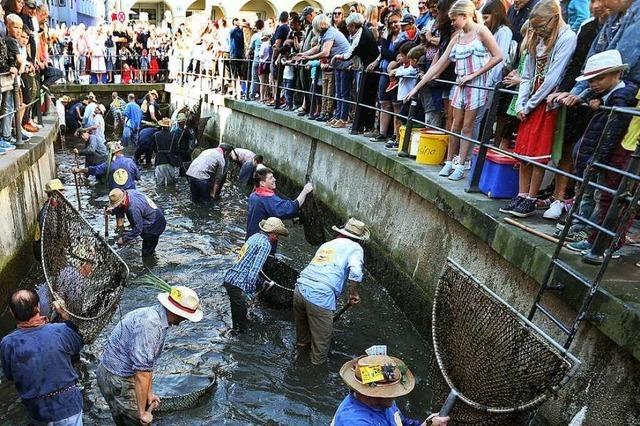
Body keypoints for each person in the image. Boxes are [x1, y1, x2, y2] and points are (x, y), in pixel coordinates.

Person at [406, 0, 503, 181]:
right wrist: (417, 87)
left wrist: (475, 74)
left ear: (464, 16)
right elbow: (439, 64)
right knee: (454, 124)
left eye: (453, 19)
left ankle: (461, 163)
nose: (452, 23)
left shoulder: (481, 31)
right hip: (460, 85)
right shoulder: (457, 37)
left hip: (475, 85)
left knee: (468, 126)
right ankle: (450, 160)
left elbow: (498, 56)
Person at [499, 0, 577, 218]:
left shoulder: (567, 37)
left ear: (553, 18)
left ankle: (532, 197)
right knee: (523, 151)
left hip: (546, 102)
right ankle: (521, 194)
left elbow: (553, 77)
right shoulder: (536, 37)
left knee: (537, 153)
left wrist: (532, 103)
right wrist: (522, 103)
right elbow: (527, 74)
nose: (539, 31)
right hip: (530, 98)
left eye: (542, 26)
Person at [563, 50, 637, 262]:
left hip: (604, 157)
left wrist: (598, 160)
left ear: (616, 75)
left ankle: (592, 238)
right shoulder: (604, 96)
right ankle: (583, 229)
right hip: (594, 155)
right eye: (591, 80)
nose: (593, 84)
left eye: (599, 78)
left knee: (601, 197)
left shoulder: (620, 99)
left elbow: (612, 132)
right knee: (589, 193)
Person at [97, 286, 203, 425]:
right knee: (137, 422)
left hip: (115, 373)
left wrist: (149, 394)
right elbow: (142, 372)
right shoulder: (151, 324)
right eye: (186, 317)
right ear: (177, 312)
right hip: (117, 379)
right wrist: (142, 413)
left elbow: (148, 363)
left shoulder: (156, 315)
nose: (186, 320)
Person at [1, 289, 84, 426]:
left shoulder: (7, 343)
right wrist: (65, 316)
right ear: (37, 307)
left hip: (37, 412)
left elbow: (10, 375)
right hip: (69, 407)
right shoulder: (61, 330)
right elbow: (77, 344)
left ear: (11, 312)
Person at [293, 218, 369, 365]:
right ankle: (313, 375)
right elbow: (355, 272)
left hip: (300, 289)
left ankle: (297, 359)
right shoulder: (355, 248)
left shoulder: (327, 244)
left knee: (302, 339)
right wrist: (353, 293)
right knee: (320, 348)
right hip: (320, 296)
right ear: (358, 239)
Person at [332, 353, 449, 425]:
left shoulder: (385, 403)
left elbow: (401, 422)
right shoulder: (353, 422)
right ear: (372, 394)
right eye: (389, 392)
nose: (395, 395)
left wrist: (427, 424)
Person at [223, 217, 289, 332]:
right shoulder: (265, 244)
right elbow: (254, 271)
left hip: (230, 279)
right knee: (240, 329)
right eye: (277, 235)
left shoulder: (254, 237)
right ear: (272, 233)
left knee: (239, 317)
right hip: (239, 285)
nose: (277, 238)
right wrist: (250, 294)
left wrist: (261, 283)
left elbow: (244, 263)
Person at [247, 167, 313, 244]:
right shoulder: (267, 198)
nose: (274, 179)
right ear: (262, 183)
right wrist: (305, 191)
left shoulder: (253, 195)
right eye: (271, 178)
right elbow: (289, 209)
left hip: (251, 238)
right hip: (263, 242)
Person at [107, 188, 167, 257]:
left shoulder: (133, 208)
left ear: (122, 201)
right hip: (151, 216)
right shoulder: (129, 193)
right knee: (129, 233)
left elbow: (138, 229)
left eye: (116, 205)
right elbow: (122, 208)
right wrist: (112, 211)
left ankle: (149, 262)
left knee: (147, 252)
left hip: (154, 225)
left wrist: (123, 239)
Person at [73, 141, 140, 190]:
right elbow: (138, 177)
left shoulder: (107, 165)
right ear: (120, 151)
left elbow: (93, 170)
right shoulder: (130, 161)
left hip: (116, 195)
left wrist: (79, 170)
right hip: (131, 192)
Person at [33, 179, 65, 262]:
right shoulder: (47, 212)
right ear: (55, 193)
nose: (63, 193)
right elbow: (53, 233)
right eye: (61, 191)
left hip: (46, 248)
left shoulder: (55, 207)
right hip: (45, 250)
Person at [152, 117, 181, 186]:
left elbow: (153, 148)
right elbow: (176, 150)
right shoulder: (173, 136)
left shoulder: (155, 135)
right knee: (171, 185)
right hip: (170, 163)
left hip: (159, 162)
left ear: (161, 126)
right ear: (169, 126)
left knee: (159, 185)